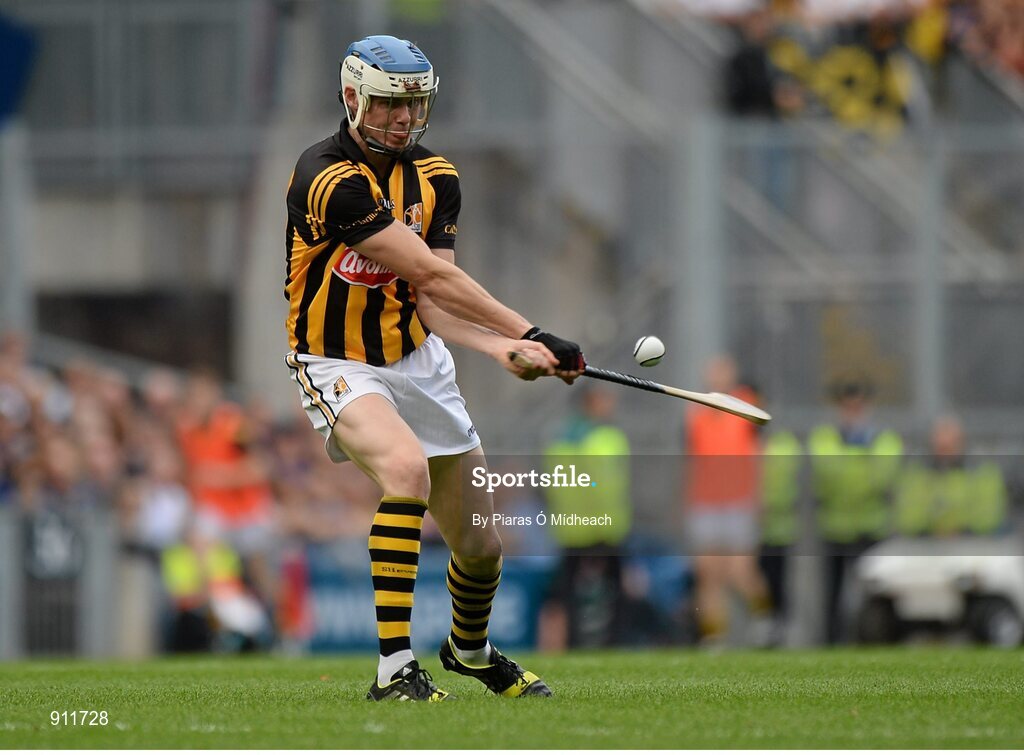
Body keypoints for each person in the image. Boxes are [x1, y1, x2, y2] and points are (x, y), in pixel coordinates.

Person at [283, 35, 584, 702]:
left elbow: (433, 294)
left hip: (417, 357)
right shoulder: (326, 177)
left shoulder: (436, 176)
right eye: (390, 104)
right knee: (404, 470)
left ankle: (468, 650)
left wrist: (498, 350)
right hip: (337, 361)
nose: (403, 118)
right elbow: (418, 265)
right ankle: (395, 667)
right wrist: (527, 330)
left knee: (480, 546)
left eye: (413, 104)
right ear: (353, 97)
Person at [808, 374, 902, 644]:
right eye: (848, 406)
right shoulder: (825, 436)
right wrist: (863, 461)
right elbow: (828, 472)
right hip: (835, 528)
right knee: (832, 597)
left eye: (858, 406)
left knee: (875, 596)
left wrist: (849, 465)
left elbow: (882, 477)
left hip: (871, 529)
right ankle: (830, 645)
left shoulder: (885, 438)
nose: (853, 413)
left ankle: (874, 642)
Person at [683, 355, 770, 645]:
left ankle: (764, 620)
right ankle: (714, 638)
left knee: (739, 571)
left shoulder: (745, 407)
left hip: (739, 501)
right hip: (706, 502)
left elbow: (759, 456)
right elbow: (693, 463)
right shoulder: (697, 417)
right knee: (709, 574)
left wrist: (759, 498)